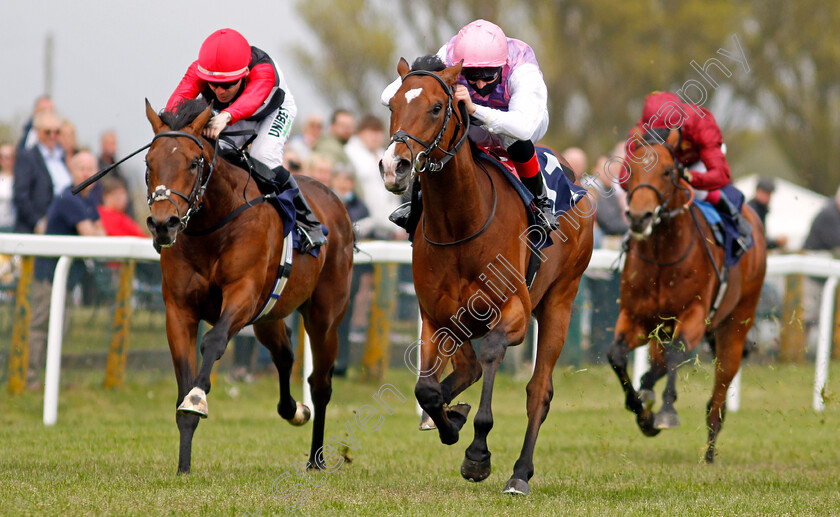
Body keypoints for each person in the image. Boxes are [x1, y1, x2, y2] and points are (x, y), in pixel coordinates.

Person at [381, 19, 558, 232]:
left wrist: (475, 109)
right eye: (472, 76)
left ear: (502, 65)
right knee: (438, 128)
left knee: (514, 137)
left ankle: (540, 203)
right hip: (473, 124)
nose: (480, 84)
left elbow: (523, 127)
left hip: (521, 122)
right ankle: (419, 202)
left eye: (488, 76)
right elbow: (388, 96)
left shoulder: (522, 66)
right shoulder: (449, 54)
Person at [166, 28, 325, 252]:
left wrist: (226, 116)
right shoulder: (199, 70)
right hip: (231, 114)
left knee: (264, 157)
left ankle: (308, 220)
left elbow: (250, 100)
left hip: (271, 110)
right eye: (213, 85)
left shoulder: (263, 70)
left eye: (228, 85)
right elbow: (177, 103)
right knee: (216, 161)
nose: (220, 91)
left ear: (243, 74)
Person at [625, 91, 752, 251]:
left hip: (697, 160)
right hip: (664, 166)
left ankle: (735, 221)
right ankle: (631, 235)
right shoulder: (639, 131)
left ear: (679, 127)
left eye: (665, 136)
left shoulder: (702, 123)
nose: (661, 142)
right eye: (654, 135)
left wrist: (691, 177)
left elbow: (721, 176)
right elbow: (624, 177)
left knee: (698, 192)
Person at [27, 151, 105, 388]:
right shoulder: (69, 198)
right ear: (71, 171)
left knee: (60, 328)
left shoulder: (88, 200)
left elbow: (101, 232)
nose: (86, 173)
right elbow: (92, 235)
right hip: (48, 277)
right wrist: (94, 230)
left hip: (67, 280)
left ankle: (49, 381)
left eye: (91, 168)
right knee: (41, 326)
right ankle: (29, 379)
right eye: (81, 168)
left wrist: (95, 230)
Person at [13, 110, 72, 233]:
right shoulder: (27, 157)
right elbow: (20, 196)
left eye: (57, 132)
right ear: (38, 132)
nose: (52, 136)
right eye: (47, 132)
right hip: (35, 230)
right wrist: (37, 222)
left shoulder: (62, 157)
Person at [345, 114, 402, 239]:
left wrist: (399, 226)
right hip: (362, 225)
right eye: (371, 132)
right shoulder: (349, 153)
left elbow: (393, 195)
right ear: (360, 133)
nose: (376, 137)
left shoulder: (386, 155)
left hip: (390, 229)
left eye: (379, 132)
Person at [747, 176, 787, 250]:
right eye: (765, 193)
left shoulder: (761, 210)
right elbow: (756, 240)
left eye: (769, 194)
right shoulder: (751, 211)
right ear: (757, 191)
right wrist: (776, 242)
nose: (768, 197)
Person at [0, 144, 15, 232]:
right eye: (2, 157)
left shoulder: (21, 179)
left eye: (9, 157)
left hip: (14, 226)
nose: (6, 160)